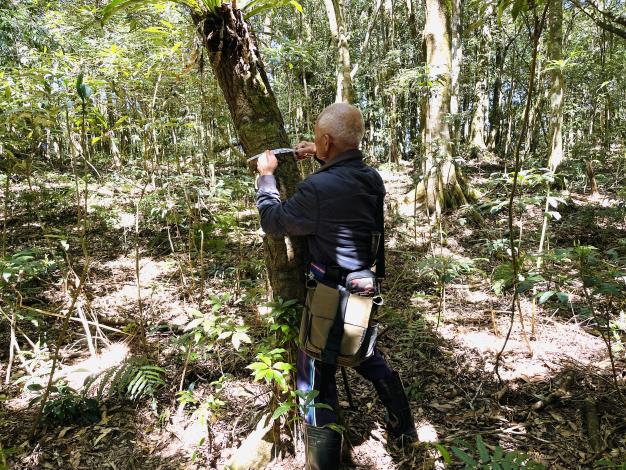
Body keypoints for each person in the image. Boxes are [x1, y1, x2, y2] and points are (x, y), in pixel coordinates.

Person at [255, 103, 416, 470]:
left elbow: (274, 222)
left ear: (327, 140)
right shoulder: (371, 179)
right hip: (363, 289)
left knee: (311, 374)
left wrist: (266, 179)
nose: (312, 143)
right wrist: (322, 156)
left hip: (329, 294)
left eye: (317, 139)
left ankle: (322, 463)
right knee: (362, 350)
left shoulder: (317, 187)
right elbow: (342, 189)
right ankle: (404, 427)